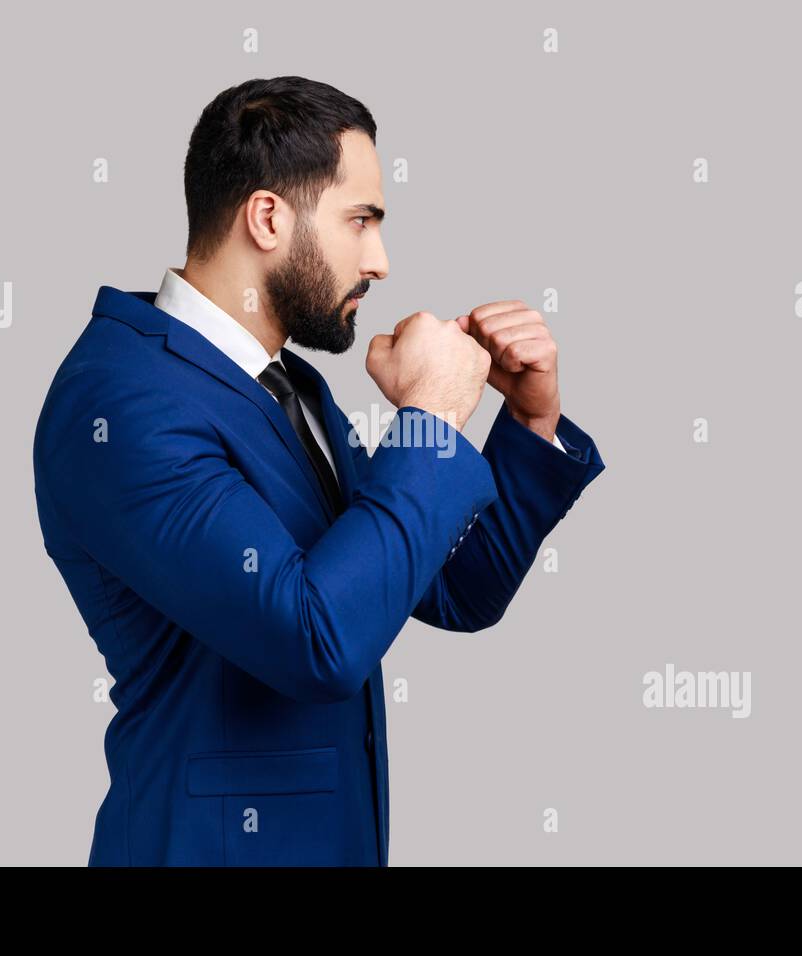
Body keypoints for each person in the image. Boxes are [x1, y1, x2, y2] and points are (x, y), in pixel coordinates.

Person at [32, 75, 606, 866]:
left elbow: (450, 585)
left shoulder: (289, 386)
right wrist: (430, 418)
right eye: (361, 221)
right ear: (268, 217)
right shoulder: (122, 401)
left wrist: (531, 422)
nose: (380, 261)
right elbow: (316, 641)